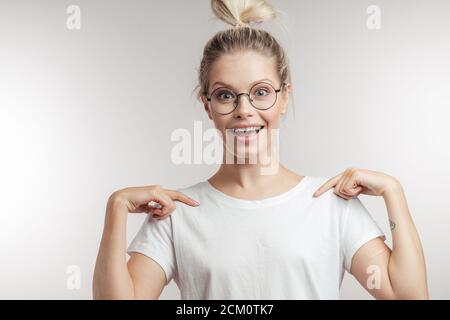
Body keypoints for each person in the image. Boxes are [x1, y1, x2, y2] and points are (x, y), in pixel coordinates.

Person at [93, 0, 428, 300]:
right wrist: (116, 208)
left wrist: (393, 193)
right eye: (226, 95)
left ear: (284, 97)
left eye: (261, 92)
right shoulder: (177, 215)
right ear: (207, 105)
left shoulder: (331, 205)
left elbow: (407, 296)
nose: (244, 109)